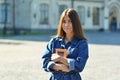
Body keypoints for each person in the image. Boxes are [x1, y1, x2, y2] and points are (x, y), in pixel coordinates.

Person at [42, 8, 89, 80]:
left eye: (70, 21)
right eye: (64, 21)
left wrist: (61, 59)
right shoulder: (54, 41)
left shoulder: (82, 43)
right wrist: (58, 67)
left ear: (75, 23)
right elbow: (45, 62)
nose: (66, 25)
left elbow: (80, 65)